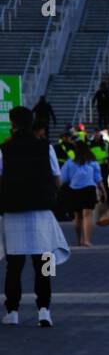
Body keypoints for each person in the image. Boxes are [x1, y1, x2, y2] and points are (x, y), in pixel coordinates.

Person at [0, 107, 69, 327]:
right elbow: (57, 178)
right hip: (42, 214)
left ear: (13, 123)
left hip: (13, 214)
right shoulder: (45, 147)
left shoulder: (5, 149)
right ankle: (44, 309)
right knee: (45, 264)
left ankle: (12, 311)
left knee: (14, 266)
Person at [59, 140, 104, 247]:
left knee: (77, 216)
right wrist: (103, 190)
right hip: (89, 189)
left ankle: (79, 240)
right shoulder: (92, 162)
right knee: (87, 215)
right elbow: (98, 178)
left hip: (74, 190)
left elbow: (63, 178)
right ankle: (87, 240)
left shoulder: (70, 162)